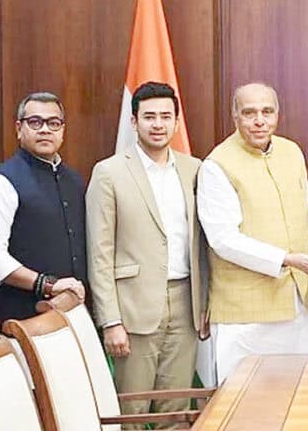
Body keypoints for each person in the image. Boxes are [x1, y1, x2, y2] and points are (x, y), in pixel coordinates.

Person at [86, 82, 205, 425]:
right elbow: (99, 253)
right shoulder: (109, 172)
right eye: (149, 116)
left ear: (177, 122)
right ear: (134, 121)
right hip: (133, 309)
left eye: (166, 116)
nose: (158, 124)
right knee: (132, 412)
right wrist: (111, 321)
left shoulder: (194, 169)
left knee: (176, 409)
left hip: (186, 304)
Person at [197, 82, 308, 383]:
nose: (259, 121)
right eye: (249, 113)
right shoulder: (217, 164)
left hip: (299, 305)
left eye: (267, 112)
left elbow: (297, 211)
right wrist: (285, 259)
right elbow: (223, 239)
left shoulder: (292, 152)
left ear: (278, 114)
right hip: (246, 315)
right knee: (246, 402)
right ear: (235, 116)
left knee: (303, 395)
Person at [0, 92, 86, 329]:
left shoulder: (75, 181)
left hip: (72, 316)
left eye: (53, 123)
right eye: (35, 122)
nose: (45, 129)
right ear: (19, 129)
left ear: (62, 130)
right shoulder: (4, 181)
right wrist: (47, 285)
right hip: (19, 320)